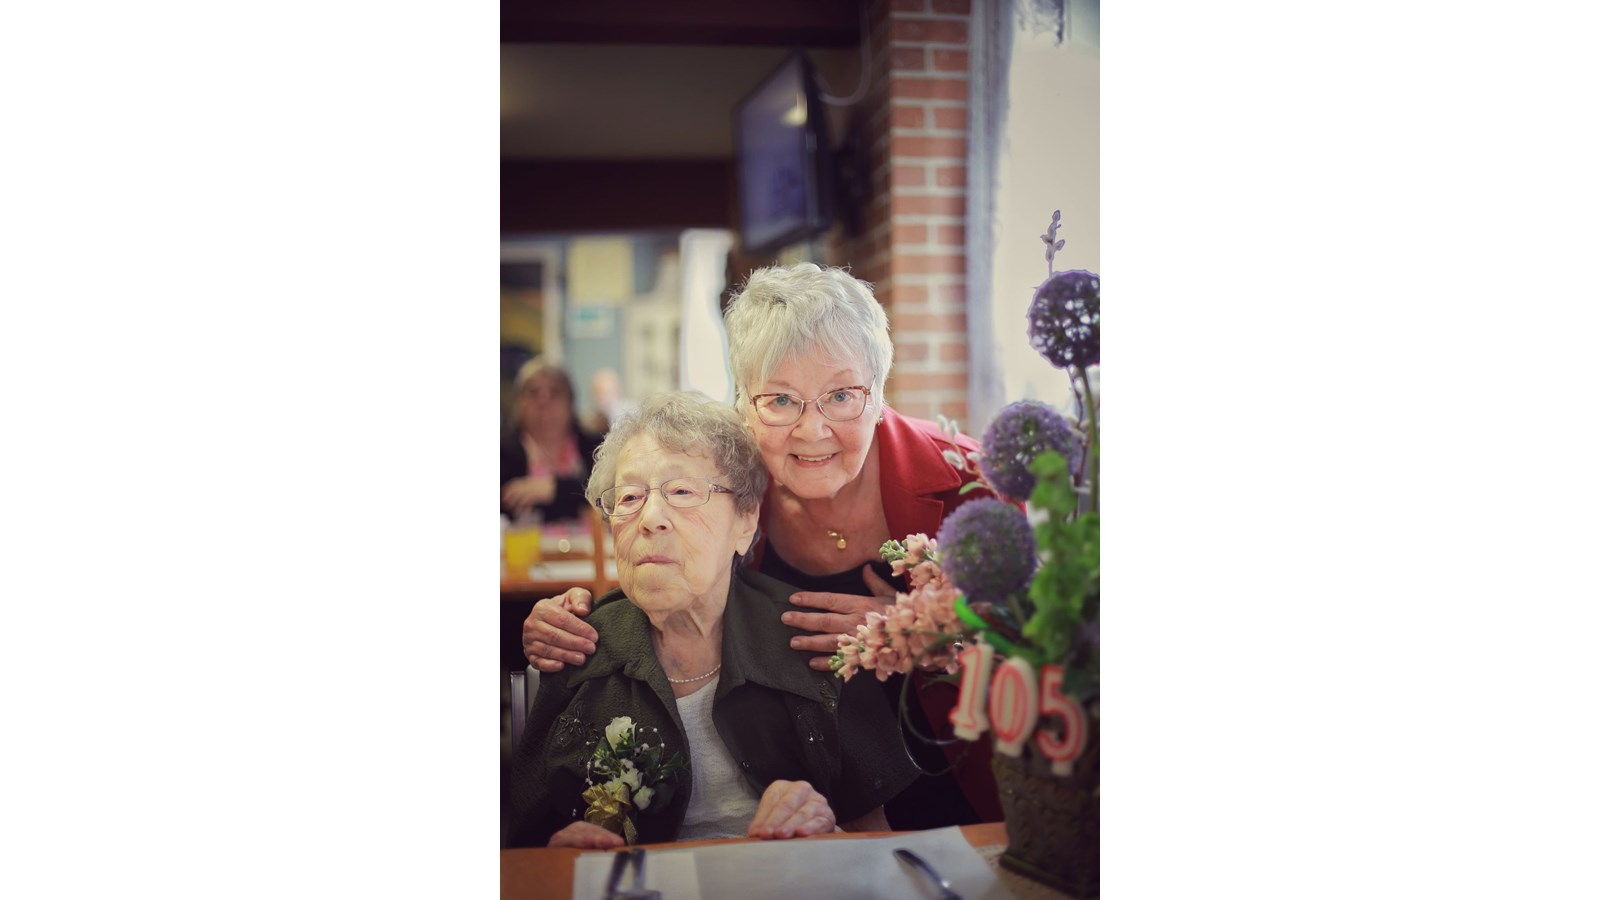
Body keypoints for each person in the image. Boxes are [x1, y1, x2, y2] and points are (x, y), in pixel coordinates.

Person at [520, 263, 1008, 829]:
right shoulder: (733, 485)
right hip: (820, 807)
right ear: (745, 403)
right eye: (779, 399)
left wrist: (928, 631)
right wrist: (570, 619)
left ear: (878, 393)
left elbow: (1055, 652)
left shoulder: (974, 484)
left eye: (841, 395)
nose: (811, 430)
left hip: (970, 787)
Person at [507, 392, 916, 848]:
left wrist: (826, 832)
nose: (650, 518)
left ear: (745, 520)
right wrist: (560, 856)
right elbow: (519, 848)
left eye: (682, 492)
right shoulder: (575, 644)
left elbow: (878, 842)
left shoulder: (814, 640)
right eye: (630, 497)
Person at [501, 359, 603, 524]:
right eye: (533, 392)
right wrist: (575, 500)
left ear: (570, 402)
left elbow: (608, 496)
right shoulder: (502, 452)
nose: (544, 400)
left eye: (555, 392)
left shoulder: (597, 447)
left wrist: (555, 489)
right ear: (519, 403)